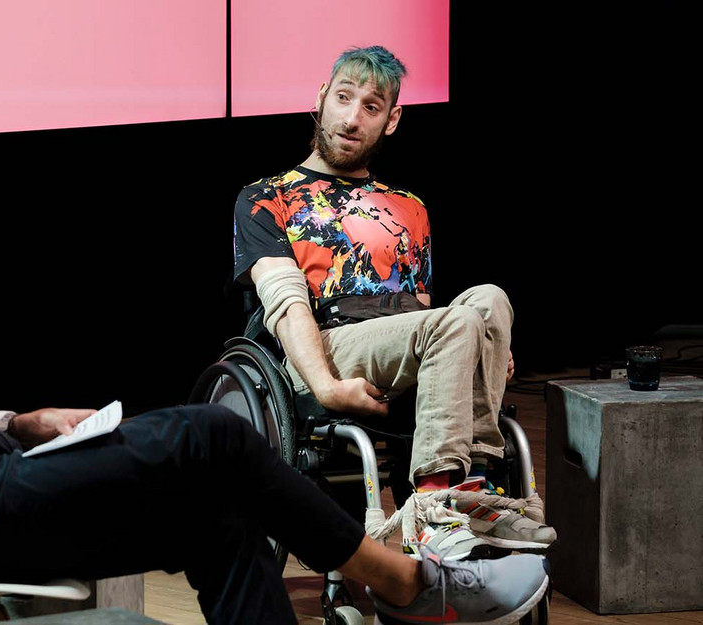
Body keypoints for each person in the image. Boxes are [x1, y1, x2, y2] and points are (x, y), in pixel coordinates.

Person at [0, 83, 549, 624]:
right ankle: (401, 582)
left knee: (220, 516)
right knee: (209, 435)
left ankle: (399, 581)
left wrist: (15, 419)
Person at [232, 46, 556, 559]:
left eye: (371, 106)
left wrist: (480, 345)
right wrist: (326, 385)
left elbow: (420, 309)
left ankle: (473, 489)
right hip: (326, 340)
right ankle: (433, 507)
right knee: (454, 324)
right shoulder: (267, 196)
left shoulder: (410, 208)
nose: (351, 118)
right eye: (343, 98)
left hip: (400, 338)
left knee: (490, 301)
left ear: (392, 119)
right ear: (321, 98)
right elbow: (286, 302)